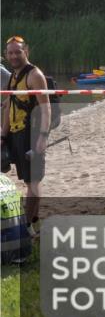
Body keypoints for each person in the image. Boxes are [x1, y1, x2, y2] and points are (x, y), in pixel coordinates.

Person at [1, 37, 51, 232]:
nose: (14, 56)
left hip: (32, 134)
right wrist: (3, 136)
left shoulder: (35, 75)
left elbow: (46, 109)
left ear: (26, 51)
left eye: (18, 52)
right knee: (23, 179)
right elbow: (7, 107)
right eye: (10, 53)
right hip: (14, 134)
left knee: (33, 182)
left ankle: (27, 226)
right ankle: (33, 221)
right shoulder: (13, 76)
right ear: (6, 55)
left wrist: (43, 137)